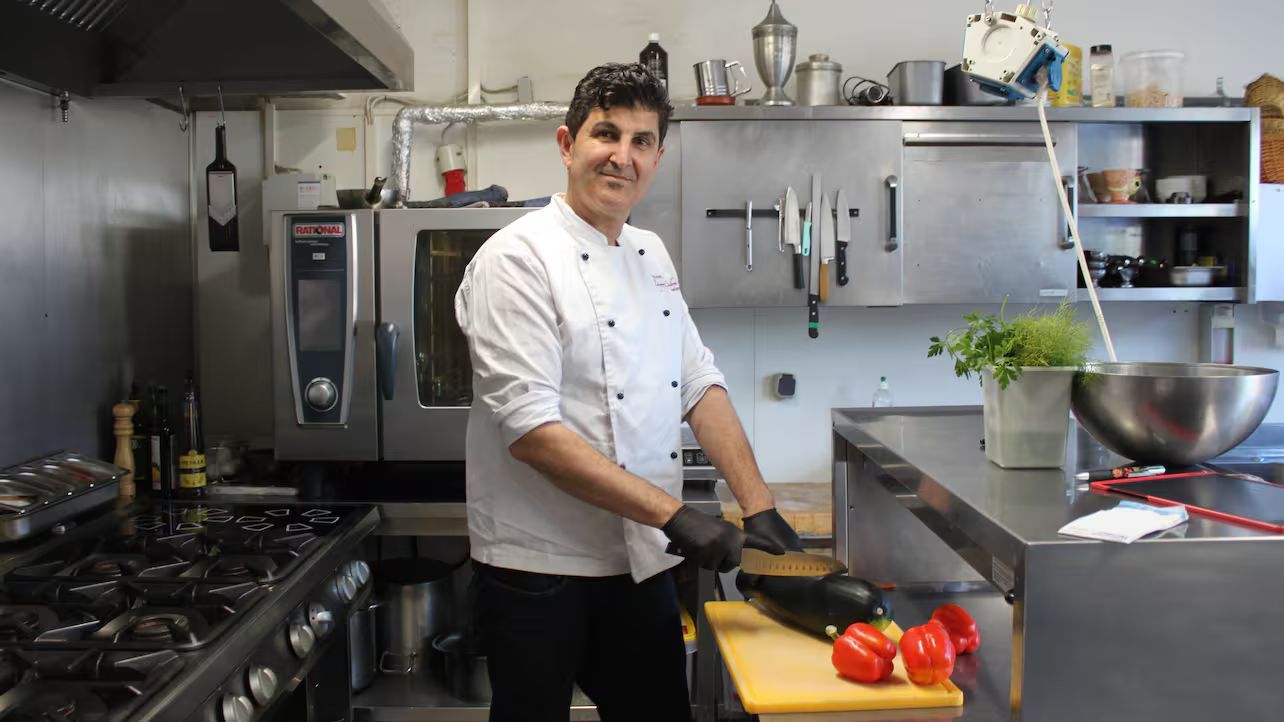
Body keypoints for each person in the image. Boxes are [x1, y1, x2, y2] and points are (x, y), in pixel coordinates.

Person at [454, 62, 803, 722]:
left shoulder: (650, 253)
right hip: (538, 568)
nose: (623, 156)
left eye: (641, 141)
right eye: (606, 134)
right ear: (567, 144)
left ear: (657, 158)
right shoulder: (516, 258)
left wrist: (758, 507)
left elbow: (698, 382)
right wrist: (676, 516)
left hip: (638, 560)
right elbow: (532, 434)